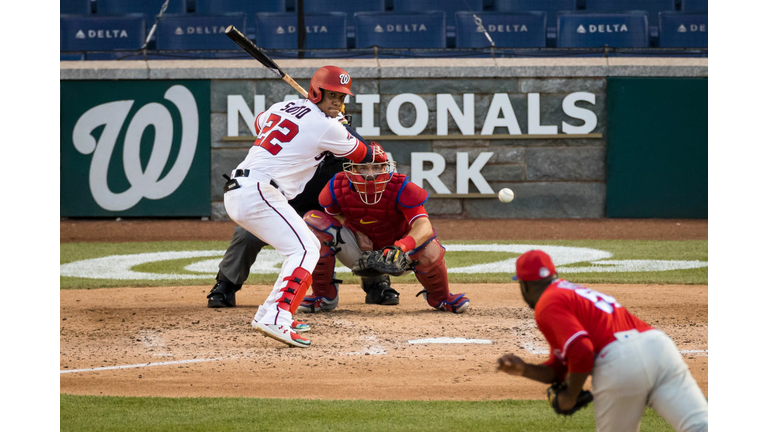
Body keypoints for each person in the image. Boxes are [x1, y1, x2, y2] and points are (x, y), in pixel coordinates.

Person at [223, 65, 384, 348]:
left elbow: (261, 123)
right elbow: (364, 154)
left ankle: (270, 312)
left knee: (304, 246)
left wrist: (324, 120)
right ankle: (276, 317)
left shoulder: (281, 106)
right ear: (315, 91)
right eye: (331, 95)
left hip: (246, 189)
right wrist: (343, 129)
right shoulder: (326, 126)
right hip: (260, 191)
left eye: (341, 97)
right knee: (306, 248)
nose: (336, 101)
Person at [496, 250, 708, 432]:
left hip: (619, 362)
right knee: (702, 426)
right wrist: (524, 369)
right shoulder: (572, 293)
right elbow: (560, 368)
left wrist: (571, 395)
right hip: (659, 348)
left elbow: (582, 350)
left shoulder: (547, 304)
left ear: (524, 285)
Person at [298, 143, 470, 314]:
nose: (371, 174)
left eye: (376, 167)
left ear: (385, 167)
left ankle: (441, 297)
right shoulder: (337, 186)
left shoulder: (401, 187)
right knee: (314, 222)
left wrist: (400, 247)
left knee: (430, 247)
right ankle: (324, 296)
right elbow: (334, 216)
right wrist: (356, 232)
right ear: (353, 169)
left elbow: (424, 225)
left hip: (398, 256)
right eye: (363, 168)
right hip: (359, 252)